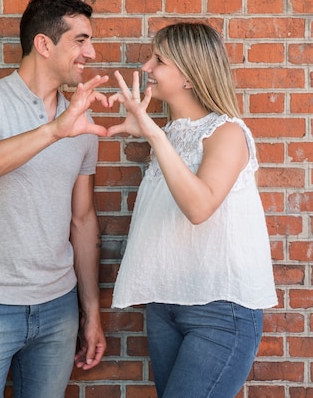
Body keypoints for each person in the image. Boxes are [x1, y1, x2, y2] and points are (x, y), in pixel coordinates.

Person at [0, 0, 107, 398]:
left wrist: (91, 312)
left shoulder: (81, 121)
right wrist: (54, 130)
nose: (91, 53)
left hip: (58, 309)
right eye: (80, 40)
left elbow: (83, 220)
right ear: (44, 44)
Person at [107, 21, 277, 398]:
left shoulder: (228, 132)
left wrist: (151, 132)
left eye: (159, 60)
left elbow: (199, 207)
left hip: (220, 312)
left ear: (188, 76)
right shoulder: (169, 134)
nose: (147, 68)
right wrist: (154, 133)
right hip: (166, 305)